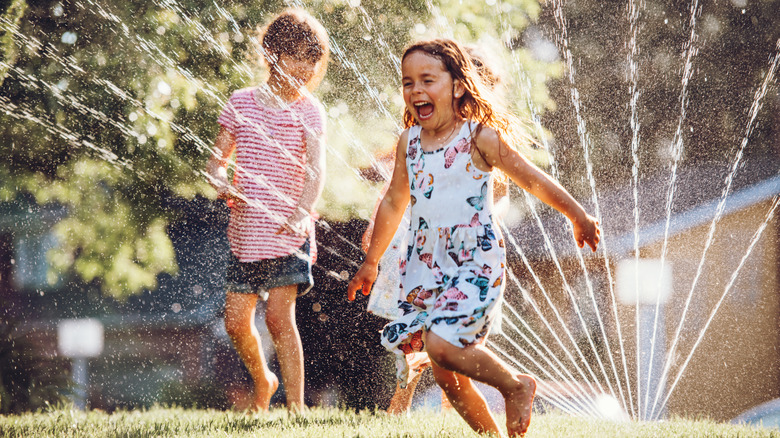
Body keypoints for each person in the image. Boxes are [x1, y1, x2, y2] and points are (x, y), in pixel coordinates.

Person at [347, 38, 600, 437]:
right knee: (448, 377)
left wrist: (577, 214)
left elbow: (532, 180)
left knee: (442, 346)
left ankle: (515, 385)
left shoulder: (479, 137)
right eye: (407, 82)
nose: (416, 90)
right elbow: (395, 202)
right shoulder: (409, 143)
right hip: (425, 266)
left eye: (427, 80)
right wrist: (371, 260)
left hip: (474, 261)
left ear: (458, 86)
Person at [360, 44, 508, 416]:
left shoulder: (482, 139)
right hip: (415, 249)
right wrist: (375, 234)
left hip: (463, 256)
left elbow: (497, 193)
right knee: (409, 329)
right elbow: (395, 192)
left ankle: (448, 405)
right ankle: (401, 402)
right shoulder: (419, 136)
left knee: (454, 337)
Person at [205, 8, 329, 412]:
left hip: (287, 234)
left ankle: (296, 406)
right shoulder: (240, 103)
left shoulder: (310, 111)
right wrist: (222, 184)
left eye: (313, 58)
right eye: (297, 55)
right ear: (271, 53)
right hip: (246, 235)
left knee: (279, 319)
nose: (306, 67)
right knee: (236, 323)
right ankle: (264, 379)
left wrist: (302, 211)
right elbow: (216, 162)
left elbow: (316, 170)